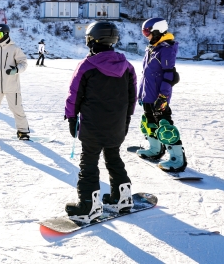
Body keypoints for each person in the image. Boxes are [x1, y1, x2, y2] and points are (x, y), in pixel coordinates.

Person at [64, 21, 136, 223]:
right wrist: (126, 119)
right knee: (113, 157)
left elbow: (74, 94)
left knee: (89, 163)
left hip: (93, 126)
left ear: (93, 39)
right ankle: (122, 197)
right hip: (117, 125)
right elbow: (132, 96)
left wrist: (71, 117)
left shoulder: (87, 65)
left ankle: (88, 206)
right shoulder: (127, 66)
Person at [136, 18, 186, 172]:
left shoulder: (166, 49)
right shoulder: (152, 48)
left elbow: (169, 75)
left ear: (157, 31)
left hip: (159, 96)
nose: (145, 35)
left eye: (147, 32)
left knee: (164, 125)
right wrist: (141, 94)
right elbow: (146, 75)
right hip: (148, 94)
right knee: (150, 123)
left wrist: (163, 97)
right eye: (144, 32)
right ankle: (155, 149)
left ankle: (177, 159)